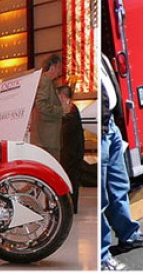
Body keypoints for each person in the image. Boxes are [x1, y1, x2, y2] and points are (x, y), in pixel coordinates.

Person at [101, 59, 143, 270]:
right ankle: (100, 257)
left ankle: (129, 235)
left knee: (119, 186)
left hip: (110, 128)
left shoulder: (101, 57)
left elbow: (111, 87)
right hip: (97, 133)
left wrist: (116, 120)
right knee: (100, 199)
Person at [29, 54, 64, 161]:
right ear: (53, 66)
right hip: (47, 138)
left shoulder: (46, 82)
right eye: (59, 67)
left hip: (46, 138)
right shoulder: (45, 81)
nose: (60, 72)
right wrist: (61, 110)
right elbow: (41, 105)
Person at [57, 84, 84, 213]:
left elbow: (68, 130)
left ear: (62, 96)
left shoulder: (70, 110)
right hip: (71, 152)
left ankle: (71, 207)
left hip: (72, 152)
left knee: (72, 180)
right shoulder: (71, 109)